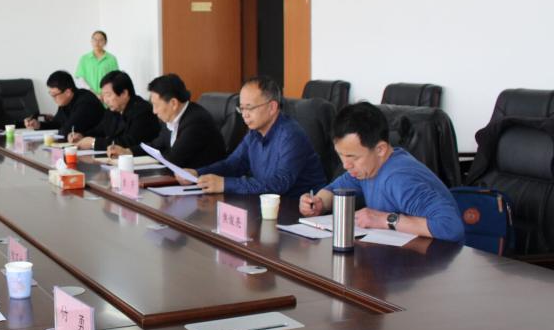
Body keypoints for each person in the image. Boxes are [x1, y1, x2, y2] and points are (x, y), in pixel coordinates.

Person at [299, 102, 464, 242]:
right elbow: (336, 189)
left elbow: (452, 227)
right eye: (340, 155)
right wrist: (318, 202)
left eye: (352, 157)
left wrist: (385, 219)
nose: (346, 165)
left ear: (380, 149)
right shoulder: (366, 169)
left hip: (434, 263)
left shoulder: (399, 180)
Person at [181, 76, 327, 196]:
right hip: (269, 206)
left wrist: (225, 184)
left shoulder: (291, 135)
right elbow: (233, 164)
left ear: (272, 107)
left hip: (301, 210)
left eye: (249, 108)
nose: (245, 115)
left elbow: (279, 183)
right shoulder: (254, 133)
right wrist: (197, 173)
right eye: (242, 108)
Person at [126, 74, 225, 168]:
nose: (154, 111)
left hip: (203, 178)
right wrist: (128, 151)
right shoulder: (172, 117)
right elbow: (156, 145)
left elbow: (173, 160)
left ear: (173, 103)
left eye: (156, 105)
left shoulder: (196, 122)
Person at [68, 70, 160, 153]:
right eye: (103, 95)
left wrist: (94, 143)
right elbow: (100, 130)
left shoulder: (142, 111)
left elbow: (129, 142)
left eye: (108, 95)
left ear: (124, 93)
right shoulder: (113, 110)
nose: (105, 100)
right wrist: (81, 136)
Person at [24, 70, 104, 138]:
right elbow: (58, 123)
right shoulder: (65, 101)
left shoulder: (86, 102)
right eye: (51, 94)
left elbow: (67, 131)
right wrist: (39, 125)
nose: (53, 99)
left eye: (54, 95)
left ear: (68, 92)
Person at [74, 30, 119, 95]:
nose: (97, 42)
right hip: (88, 94)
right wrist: (93, 93)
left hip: (106, 95)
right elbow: (81, 79)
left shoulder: (111, 59)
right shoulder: (84, 59)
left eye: (100, 40)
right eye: (95, 40)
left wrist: (104, 93)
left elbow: (114, 79)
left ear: (105, 42)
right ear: (91, 41)